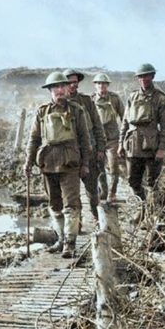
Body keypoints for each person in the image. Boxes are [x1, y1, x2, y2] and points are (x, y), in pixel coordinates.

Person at [23, 71, 91, 258]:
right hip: (48, 162)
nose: (59, 91)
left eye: (62, 86)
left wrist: (85, 164)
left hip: (70, 162)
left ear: (67, 88)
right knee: (54, 204)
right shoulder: (42, 112)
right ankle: (60, 239)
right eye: (55, 88)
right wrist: (28, 162)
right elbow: (34, 139)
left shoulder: (77, 111)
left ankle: (70, 243)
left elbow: (85, 139)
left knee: (71, 204)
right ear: (50, 91)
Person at [118, 63, 165, 208]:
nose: (143, 79)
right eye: (141, 77)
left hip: (151, 146)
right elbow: (125, 122)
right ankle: (141, 209)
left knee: (152, 183)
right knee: (133, 181)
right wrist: (120, 144)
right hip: (133, 145)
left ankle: (155, 211)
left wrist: (161, 148)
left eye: (146, 76)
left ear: (152, 77)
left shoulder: (160, 99)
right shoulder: (132, 97)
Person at [63, 69, 107, 230]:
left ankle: (97, 219)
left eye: (75, 81)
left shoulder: (86, 101)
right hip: (69, 155)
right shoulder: (61, 104)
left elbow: (97, 126)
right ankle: (77, 223)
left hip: (89, 151)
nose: (73, 84)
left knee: (92, 190)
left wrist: (101, 148)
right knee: (72, 193)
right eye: (69, 82)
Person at [91, 73, 126, 203]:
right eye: (99, 83)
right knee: (99, 168)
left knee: (114, 167)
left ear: (108, 85)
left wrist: (124, 136)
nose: (102, 86)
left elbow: (124, 117)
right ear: (95, 85)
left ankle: (112, 192)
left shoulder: (115, 99)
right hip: (98, 140)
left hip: (112, 139)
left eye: (104, 84)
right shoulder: (91, 100)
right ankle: (104, 191)